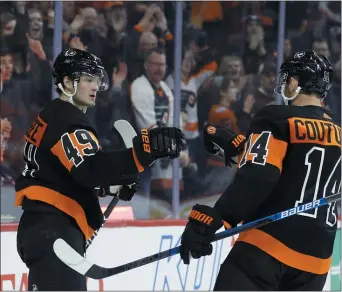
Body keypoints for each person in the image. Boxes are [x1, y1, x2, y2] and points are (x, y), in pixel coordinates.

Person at [15, 48, 185, 291]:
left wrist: (111, 183)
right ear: (66, 82)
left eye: (96, 80)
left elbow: (65, 172)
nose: (94, 86)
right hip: (54, 230)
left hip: (44, 228)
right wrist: (141, 153)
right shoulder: (67, 119)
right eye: (87, 79)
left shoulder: (54, 114)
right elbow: (89, 169)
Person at [179, 51, 341, 291]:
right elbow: (299, 169)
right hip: (315, 263)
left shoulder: (277, 117)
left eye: (287, 79)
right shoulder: (338, 132)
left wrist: (219, 216)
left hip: (268, 248)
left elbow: (260, 175)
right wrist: (244, 151)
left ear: (295, 82)